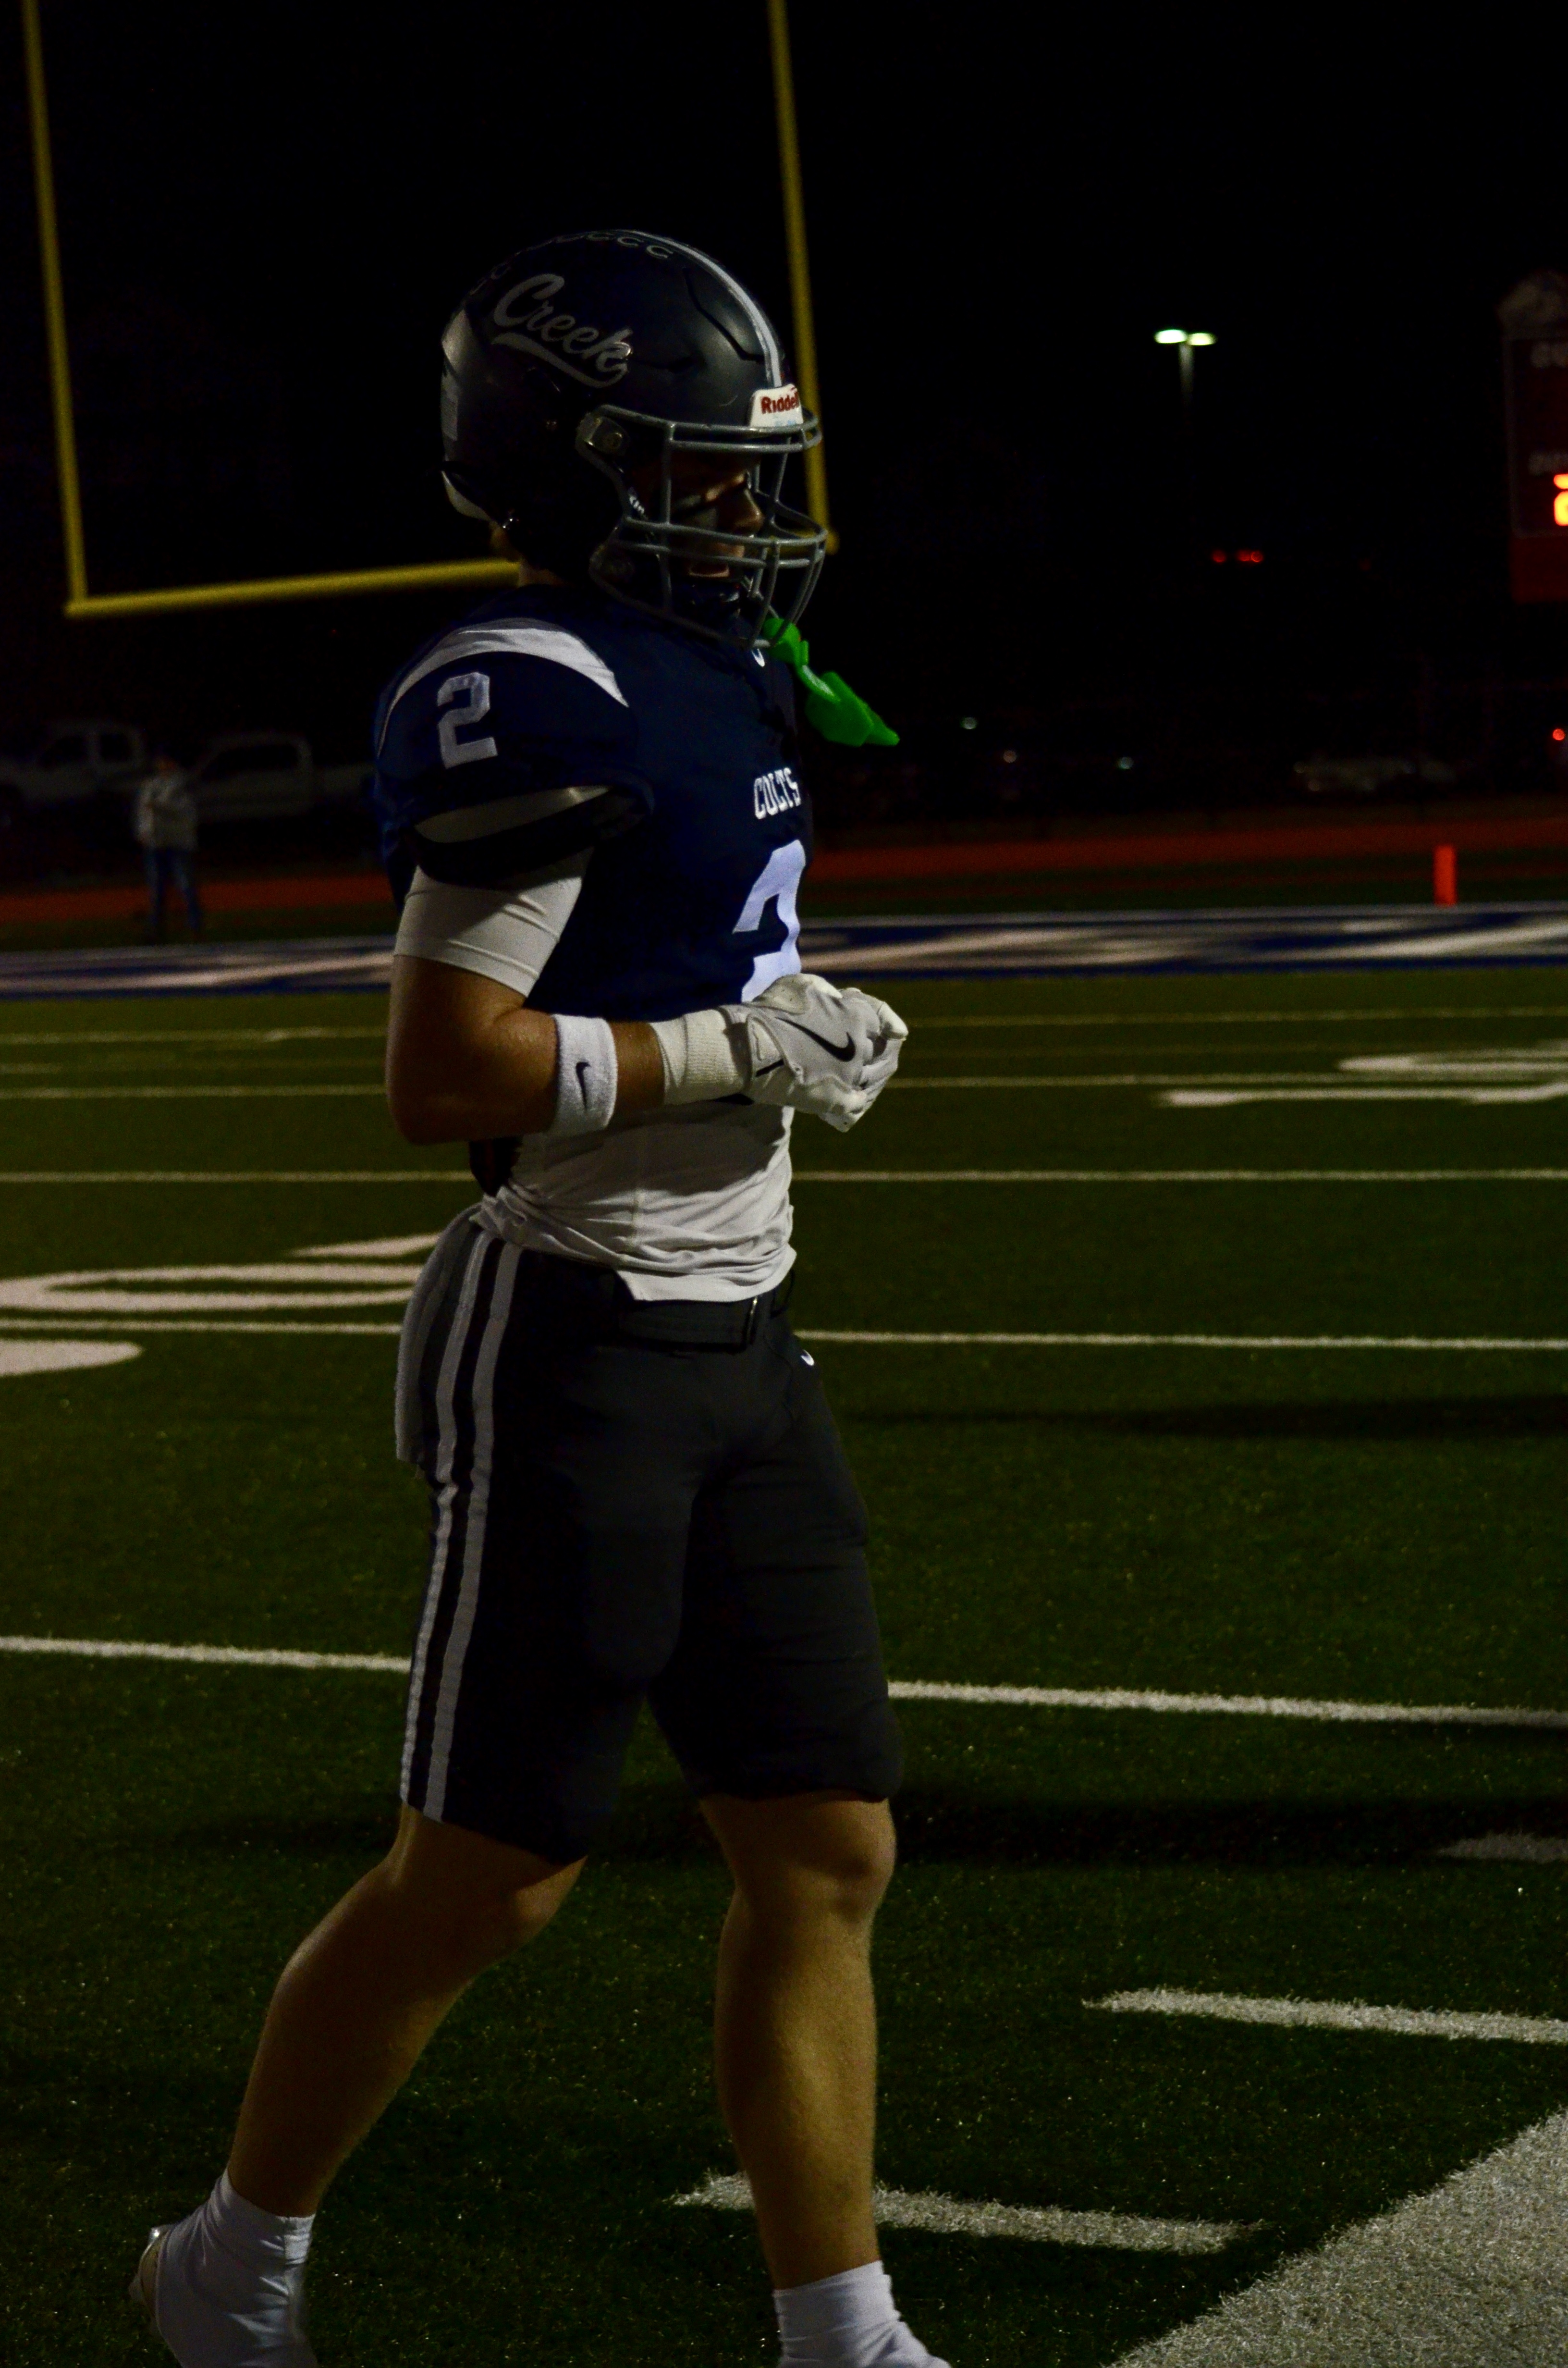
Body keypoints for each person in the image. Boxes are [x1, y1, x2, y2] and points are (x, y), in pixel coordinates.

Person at [132, 230, 939, 2368]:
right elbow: (446, 1072)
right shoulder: (536, 685)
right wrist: (733, 1048)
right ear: (572, 466)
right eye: (694, 465)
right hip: (580, 1334)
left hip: (744, 1331)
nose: (743, 507)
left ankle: (844, 2337)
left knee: (825, 1848)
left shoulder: (716, 662)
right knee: (489, 1877)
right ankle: (229, 2267)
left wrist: (762, 1030)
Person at [134, 750, 202, 938]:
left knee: (185, 885)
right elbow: (144, 812)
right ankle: (156, 929)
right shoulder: (151, 785)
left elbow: (182, 810)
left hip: (178, 842)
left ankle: (194, 926)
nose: (163, 765)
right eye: (161, 762)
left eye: (167, 761)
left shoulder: (183, 783)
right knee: (156, 888)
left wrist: (158, 806)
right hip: (155, 843)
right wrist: (143, 833)